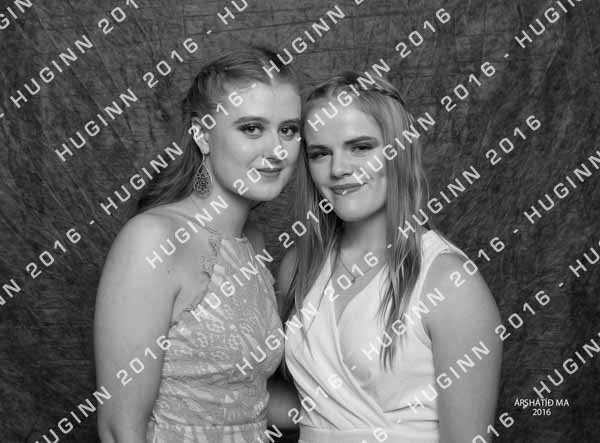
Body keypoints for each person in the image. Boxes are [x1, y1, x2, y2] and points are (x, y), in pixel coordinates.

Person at [278, 71, 502, 443]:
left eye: (360, 147)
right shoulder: (299, 265)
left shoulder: (449, 282)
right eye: (320, 153)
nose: (338, 169)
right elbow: (306, 406)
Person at [94, 46, 302, 443]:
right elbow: (120, 429)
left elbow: (244, 402)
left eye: (288, 130)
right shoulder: (152, 239)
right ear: (202, 133)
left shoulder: (251, 242)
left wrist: (371, 405)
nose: (277, 150)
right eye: (251, 128)